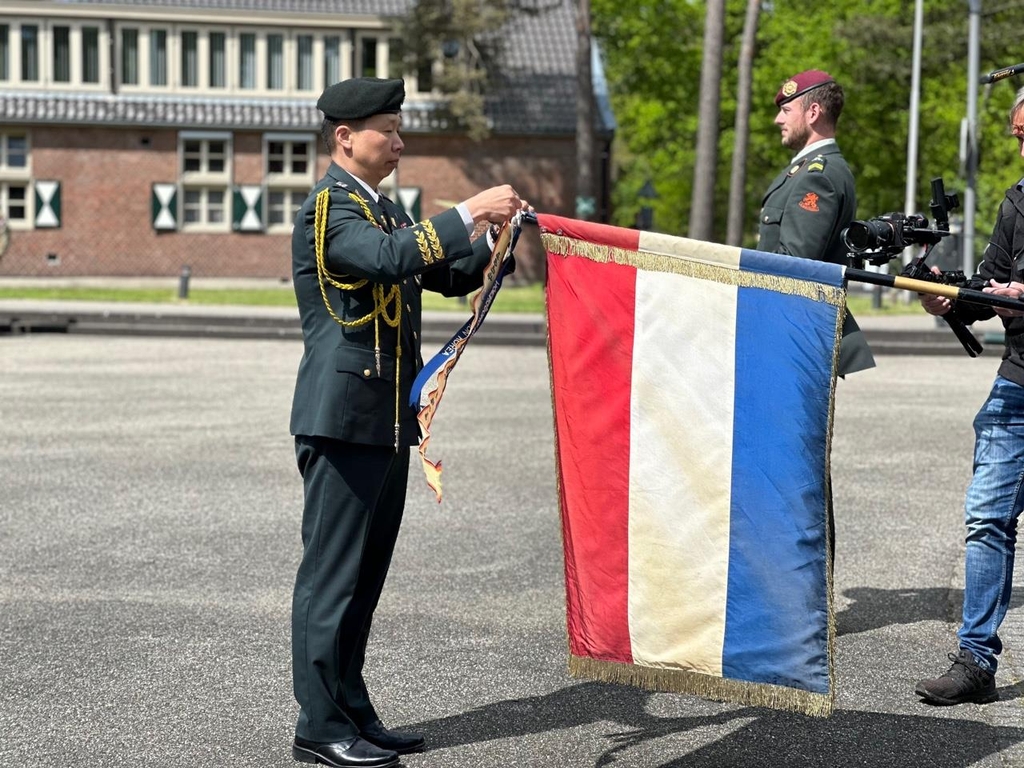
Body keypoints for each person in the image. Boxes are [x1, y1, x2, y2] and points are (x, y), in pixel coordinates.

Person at [289, 76, 529, 767]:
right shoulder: (330, 209)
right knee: (331, 579)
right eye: (386, 130)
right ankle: (318, 725)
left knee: (363, 583)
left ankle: (351, 711)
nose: (399, 142)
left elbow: (442, 275)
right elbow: (390, 259)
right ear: (345, 138)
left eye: (399, 130)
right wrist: (466, 209)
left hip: (387, 421)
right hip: (342, 420)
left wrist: (492, 243)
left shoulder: (381, 207)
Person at [915, 87, 1024, 706]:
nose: (1018, 142)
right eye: (1015, 132)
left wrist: (1018, 289)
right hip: (1018, 381)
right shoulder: (1016, 203)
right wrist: (954, 297)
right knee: (987, 516)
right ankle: (977, 661)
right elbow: (991, 287)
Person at [758, 68, 875, 377]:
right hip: (790, 332)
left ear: (812, 112)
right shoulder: (809, 170)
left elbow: (795, 266)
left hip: (794, 335)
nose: (778, 120)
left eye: (786, 111)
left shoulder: (818, 175)